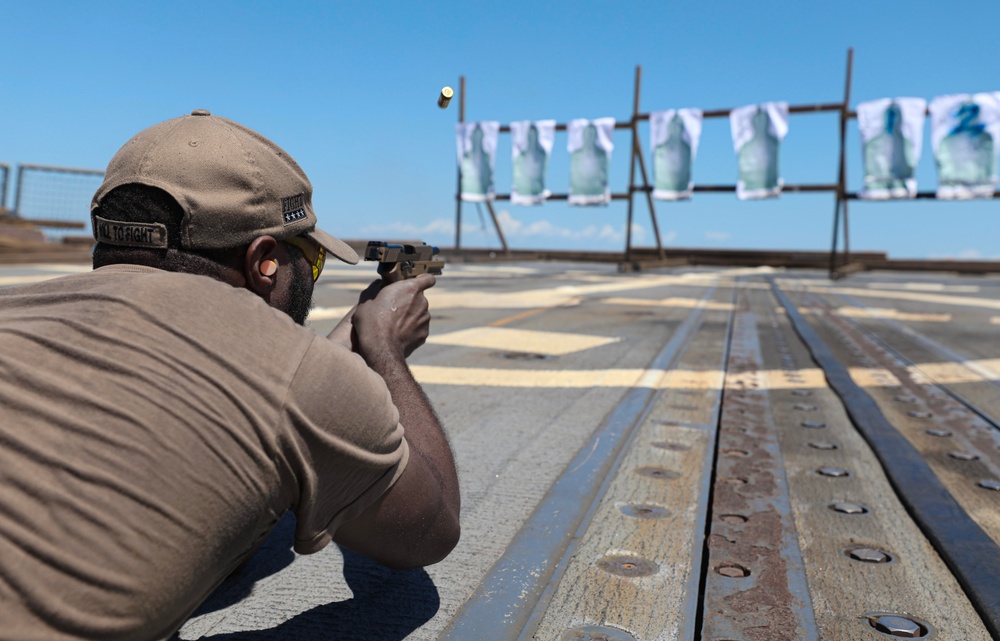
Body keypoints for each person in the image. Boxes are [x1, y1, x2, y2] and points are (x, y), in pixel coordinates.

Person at [0, 109, 461, 640]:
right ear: (265, 261)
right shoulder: (298, 379)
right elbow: (430, 530)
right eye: (308, 261)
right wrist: (385, 353)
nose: (309, 275)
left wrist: (329, 361)